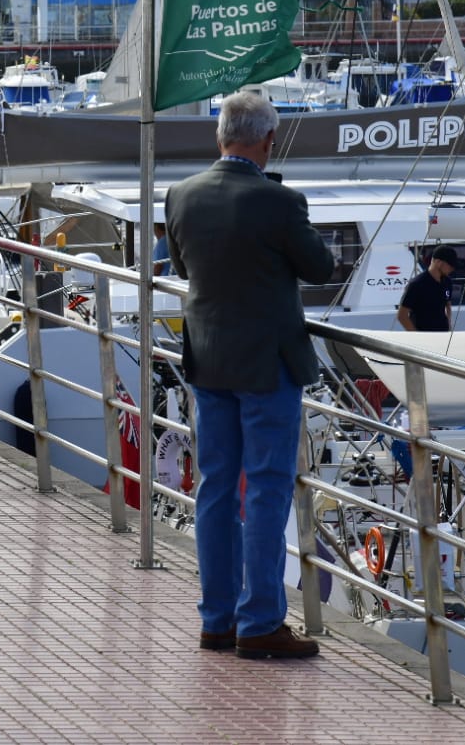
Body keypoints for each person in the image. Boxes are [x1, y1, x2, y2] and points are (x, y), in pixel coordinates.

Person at [163, 91, 335, 660]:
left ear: (220, 138)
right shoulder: (280, 201)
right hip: (268, 366)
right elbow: (320, 267)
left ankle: (217, 619)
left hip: (209, 361)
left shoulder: (182, 196)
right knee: (265, 489)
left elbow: (185, 268)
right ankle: (259, 620)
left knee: (215, 489)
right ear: (268, 141)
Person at [397, 244, 457, 332]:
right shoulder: (416, 284)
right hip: (424, 336)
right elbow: (402, 315)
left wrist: (449, 328)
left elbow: (447, 305)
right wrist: (417, 336)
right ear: (438, 262)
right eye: (450, 266)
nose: (452, 269)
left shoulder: (447, 282)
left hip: (443, 336)